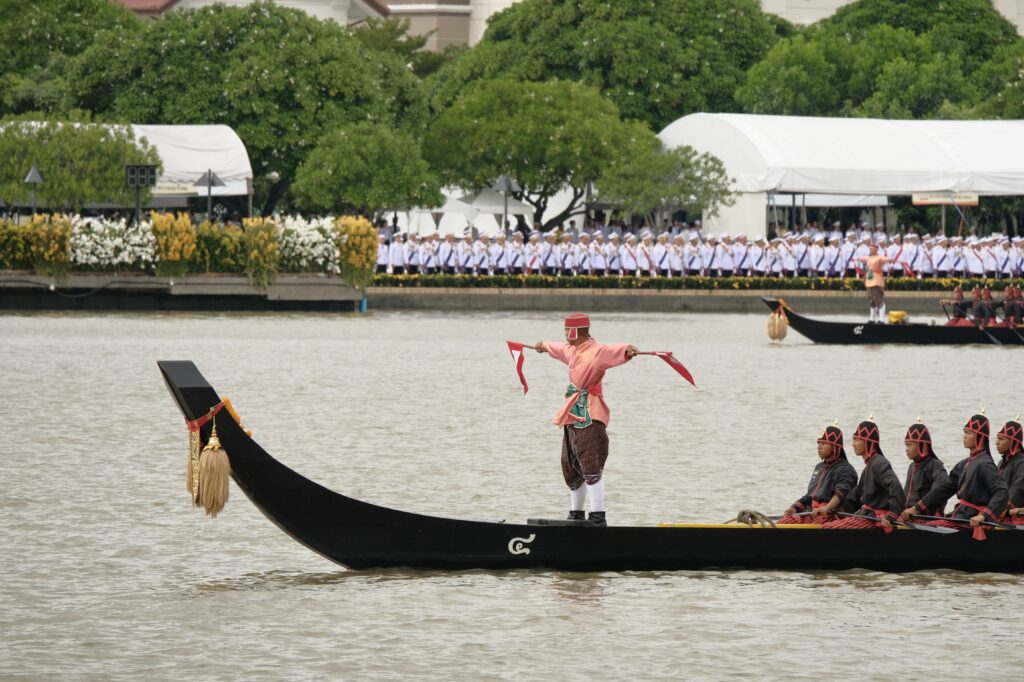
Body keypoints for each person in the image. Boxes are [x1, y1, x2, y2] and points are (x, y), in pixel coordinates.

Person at [533, 313, 638, 526]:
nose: (565, 335)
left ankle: (598, 515)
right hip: (572, 413)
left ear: (576, 331)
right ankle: (576, 514)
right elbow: (558, 348)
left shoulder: (597, 352)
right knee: (571, 464)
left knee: (591, 464)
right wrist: (543, 345)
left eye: (567, 331)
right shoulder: (572, 350)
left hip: (590, 413)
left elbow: (612, 351)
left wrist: (627, 350)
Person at [917, 414, 1009, 537]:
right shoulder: (964, 463)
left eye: (968, 433)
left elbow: (1002, 492)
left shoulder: (985, 464)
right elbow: (944, 489)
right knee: (922, 524)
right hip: (962, 515)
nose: (964, 436)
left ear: (980, 436)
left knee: (927, 529)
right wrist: (917, 508)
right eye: (964, 433)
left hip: (971, 519)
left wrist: (984, 515)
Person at [821, 420, 903, 531]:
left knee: (827, 529)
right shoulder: (870, 465)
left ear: (867, 441)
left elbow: (895, 486)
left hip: (876, 519)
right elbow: (857, 495)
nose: (853, 444)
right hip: (866, 515)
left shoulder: (879, 463)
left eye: (856, 439)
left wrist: (892, 515)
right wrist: (837, 511)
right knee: (829, 524)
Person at [778, 425, 857, 524]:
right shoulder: (819, 467)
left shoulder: (846, 469)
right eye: (819, 443)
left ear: (835, 446)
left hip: (831, 516)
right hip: (812, 512)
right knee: (784, 521)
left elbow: (841, 493)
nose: (819, 447)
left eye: (823, 443)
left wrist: (826, 508)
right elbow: (811, 496)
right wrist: (795, 507)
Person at [894, 422, 951, 524]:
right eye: (906, 445)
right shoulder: (911, 466)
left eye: (909, 445)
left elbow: (942, 490)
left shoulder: (935, 465)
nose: (906, 449)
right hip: (907, 516)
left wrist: (919, 510)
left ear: (922, 445)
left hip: (925, 517)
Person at [855, 244, 893, 324]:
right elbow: (862, 259)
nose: (870, 250)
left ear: (875, 250)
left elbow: (886, 259)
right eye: (870, 249)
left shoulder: (879, 258)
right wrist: (857, 258)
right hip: (869, 279)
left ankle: (881, 319)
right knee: (872, 300)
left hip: (877, 280)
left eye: (871, 249)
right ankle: (872, 319)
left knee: (878, 299)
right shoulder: (869, 258)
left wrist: (890, 260)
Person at [996, 420, 1024, 525]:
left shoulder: (1022, 463)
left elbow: (1017, 491)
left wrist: (1001, 510)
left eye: (1001, 439)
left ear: (1013, 441)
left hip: (1013, 514)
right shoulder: (1001, 462)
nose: (996, 442)